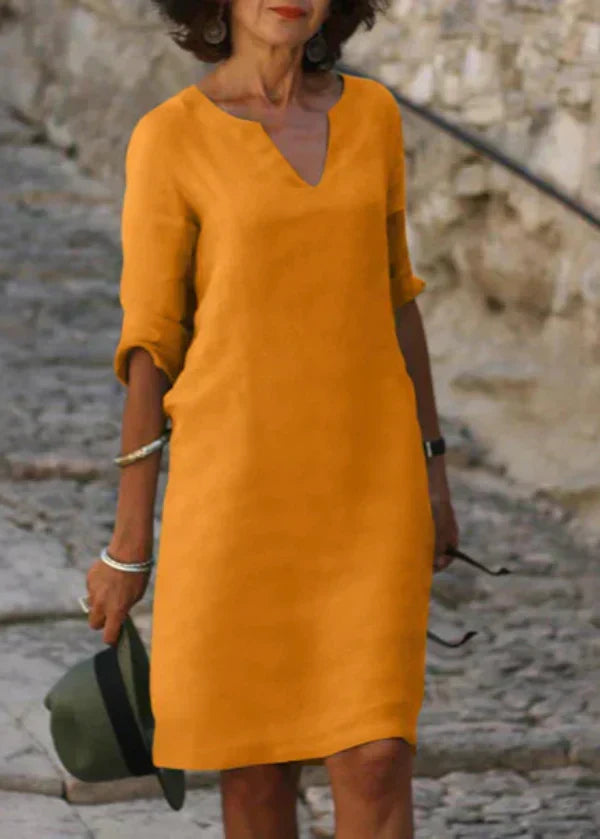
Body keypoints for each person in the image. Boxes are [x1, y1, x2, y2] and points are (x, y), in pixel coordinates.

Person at [85, 0, 460, 835]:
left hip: (370, 493)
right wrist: (129, 542)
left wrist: (433, 466)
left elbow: (398, 298)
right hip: (236, 504)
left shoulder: (374, 116)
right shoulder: (171, 137)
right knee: (255, 776)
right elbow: (150, 346)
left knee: (377, 757)